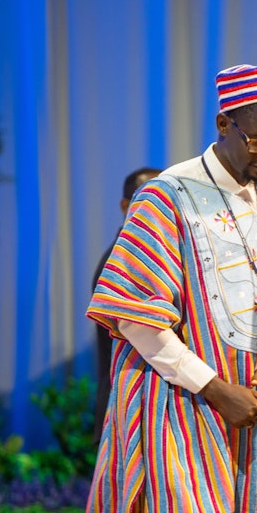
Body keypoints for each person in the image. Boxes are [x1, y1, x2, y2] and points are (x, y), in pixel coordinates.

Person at [86, 64, 257, 513]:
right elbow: (137, 321)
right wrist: (216, 389)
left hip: (252, 408)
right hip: (178, 405)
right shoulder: (166, 197)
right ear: (224, 123)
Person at [91, 166, 162, 447]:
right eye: (148, 199)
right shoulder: (124, 259)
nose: (159, 210)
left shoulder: (157, 254)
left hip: (146, 411)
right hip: (130, 412)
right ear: (125, 206)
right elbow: (150, 341)